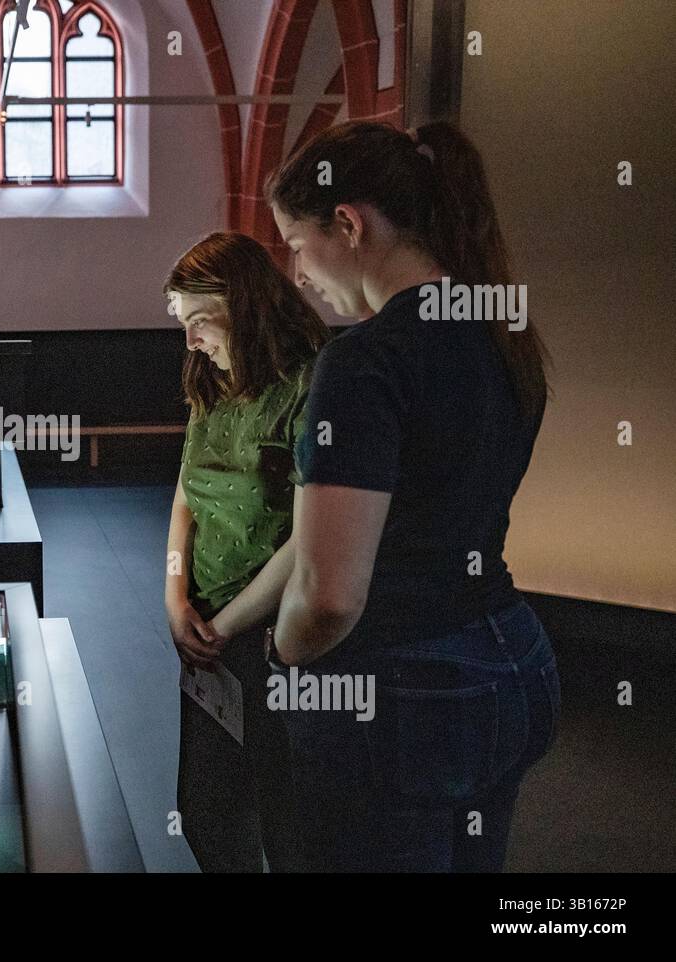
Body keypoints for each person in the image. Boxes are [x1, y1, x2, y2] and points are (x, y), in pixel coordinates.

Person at [265, 119, 561, 871]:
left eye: (298, 246)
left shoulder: (364, 362)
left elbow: (329, 596)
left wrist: (280, 652)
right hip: (513, 660)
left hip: (405, 690)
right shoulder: (500, 333)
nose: (299, 274)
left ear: (348, 223)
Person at [164, 231, 330, 872]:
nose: (190, 340)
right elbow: (185, 498)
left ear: (246, 304)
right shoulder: (209, 380)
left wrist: (225, 627)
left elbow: (307, 537)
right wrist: (175, 596)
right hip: (204, 628)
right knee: (207, 809)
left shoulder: (310, 386)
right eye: (183, 323)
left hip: (269, 635)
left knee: (289, 818)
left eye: (200, 321)